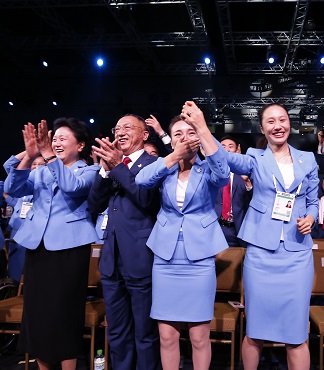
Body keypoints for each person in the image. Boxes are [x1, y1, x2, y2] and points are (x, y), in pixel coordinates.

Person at [225, 103, 319, 370]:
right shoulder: (255, 157)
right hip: (261, 255)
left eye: (282, 120)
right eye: (271, 122)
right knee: (255, 330)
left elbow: (313, 201)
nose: (278, 126)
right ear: (262, 129)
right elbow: (226, 159)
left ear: (289, 123)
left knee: (297, 333)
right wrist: (201, 128)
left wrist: (311, 218)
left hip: (297, 255)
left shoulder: (307, 159)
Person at [136, 103, 230, 370]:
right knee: (167, 335)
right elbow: (141, 180)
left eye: (190, 132)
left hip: (199, 258)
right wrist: (172, 157)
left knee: (199, 336)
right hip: (165, 258)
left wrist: (202, 128)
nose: (184, 138)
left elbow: (224, 175)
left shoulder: (208, 168)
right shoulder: (163, 167)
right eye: (177, 133)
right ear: (170, 139)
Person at [4, 118, 99, 370]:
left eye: (62, 138)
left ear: (80, 146)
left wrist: (47, 154)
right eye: (53, 138)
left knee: (63, 313)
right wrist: (29, 155)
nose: (55, 142)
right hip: (38, 247)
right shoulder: (42, 170)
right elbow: (12, 188)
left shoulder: (88, 170)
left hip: (69, 248)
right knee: (39, 314)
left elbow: (71, 187)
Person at [87, 114, 161, 370]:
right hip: (111, 261)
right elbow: (94, 205)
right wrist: (105, 171)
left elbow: (147, 200)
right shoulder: (112, 166)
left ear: (144, 135)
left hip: (140, 259)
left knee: (145, 333)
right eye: (116, 127)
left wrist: (119, 166)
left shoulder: (155, 163)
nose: (120, 132)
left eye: (127, 127)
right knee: (116, 332)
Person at [2, 154, 46, 283]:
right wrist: (29, 152)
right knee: (15, 268)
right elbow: (8, 165)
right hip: (18, 230)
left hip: (35, 232)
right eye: (34, 164)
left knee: (32, 271)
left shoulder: (44, 185)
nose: (37, 167)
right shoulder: (23, 182)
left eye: (41, 164)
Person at [216, 135, 252, 247]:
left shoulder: (246, 172)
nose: (226, 150)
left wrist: (248, 183)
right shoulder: (213, 173)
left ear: (237, 150)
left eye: (230, 146)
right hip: (216, 228)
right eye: (222, 147)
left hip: (238, 229)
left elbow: (254, 200)